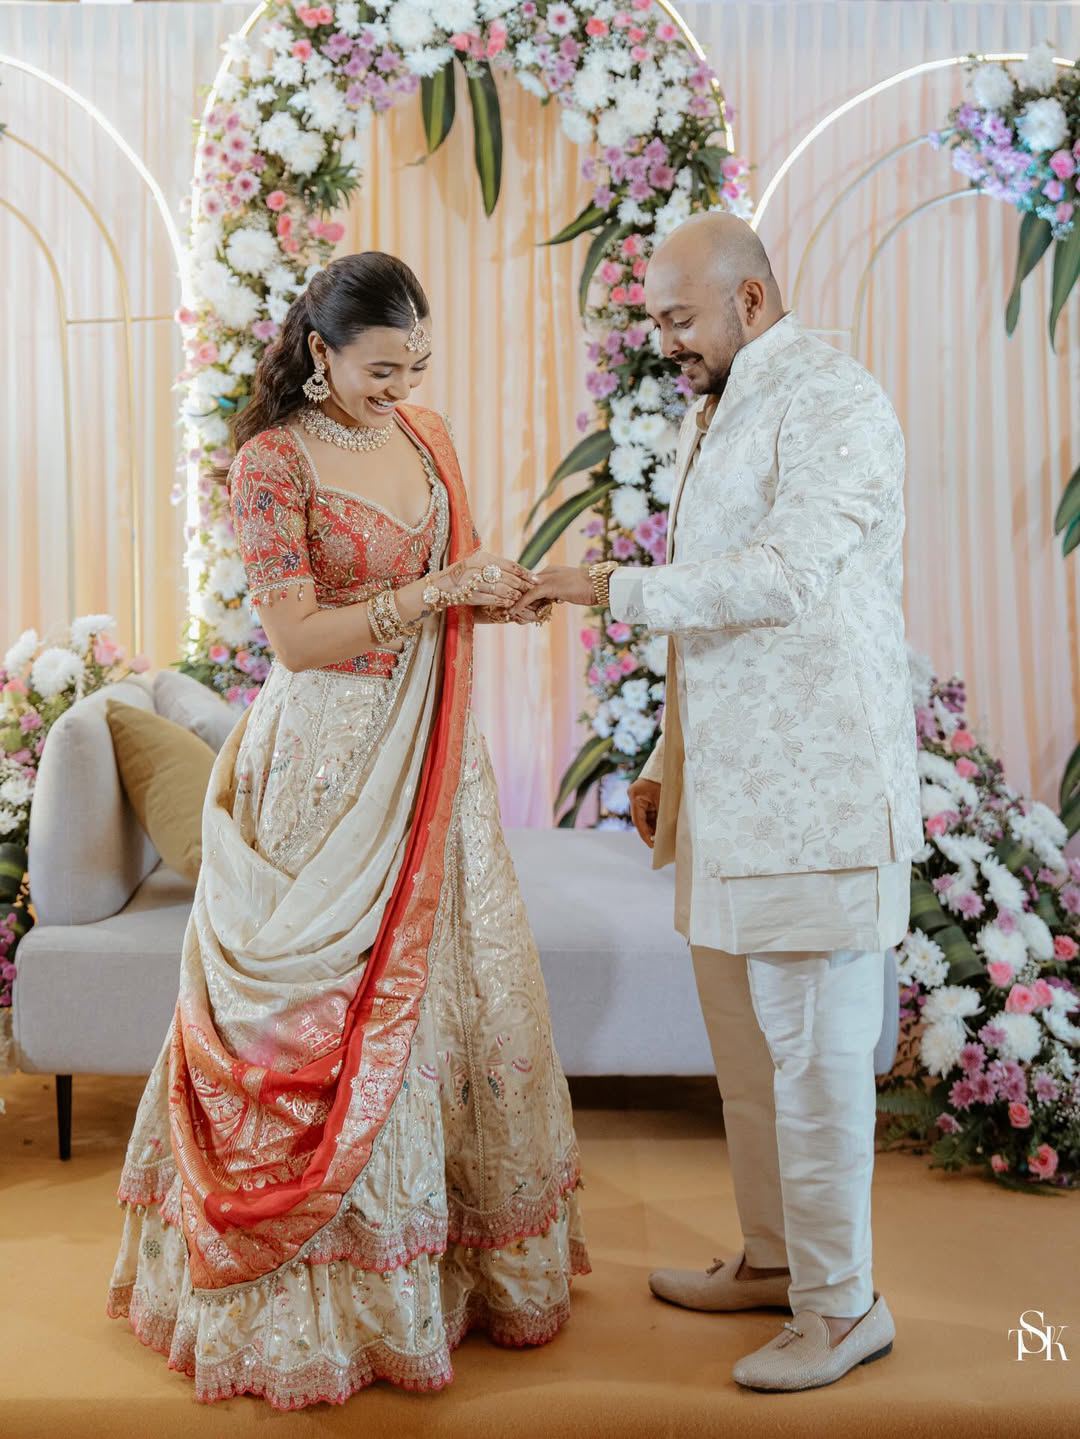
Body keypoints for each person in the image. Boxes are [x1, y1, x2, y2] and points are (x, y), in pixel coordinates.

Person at [107, 252, 588, 1408]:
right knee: (318, 1004)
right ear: (319, 351)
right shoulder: (269, 463)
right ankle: (302, 1294)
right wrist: (438, 591)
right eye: (382, 365)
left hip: (432, 754)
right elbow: (298, 640)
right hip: (325, 760)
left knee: (440, 996)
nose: (404, 382)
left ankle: (440, 1272)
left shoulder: (426, 437)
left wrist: (514, 592)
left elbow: (449, 578)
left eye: (417, 361)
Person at [513, 213, 922, 1393]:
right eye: (654, 321)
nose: (666, 342)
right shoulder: (721, 406)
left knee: (819, 1058)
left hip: (821, 797)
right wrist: (662, 762)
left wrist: (600, 583)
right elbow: (721, 635)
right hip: (732, 800)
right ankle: (777, 1260)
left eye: (678, 319)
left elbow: (784, 581)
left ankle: (844, 1308)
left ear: (749, 301)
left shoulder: (835, 399)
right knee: (750, 1059)